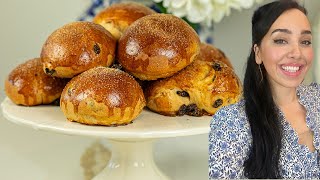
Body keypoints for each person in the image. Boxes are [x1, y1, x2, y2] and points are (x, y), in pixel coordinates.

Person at [208, 0, 320, 179]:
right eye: (281, 40)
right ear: (258, 52)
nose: (297, 53)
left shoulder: (318, 98)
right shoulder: (231, 123)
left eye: (305, 41)